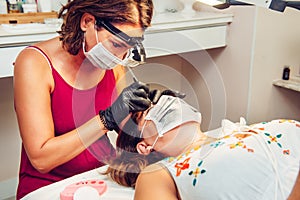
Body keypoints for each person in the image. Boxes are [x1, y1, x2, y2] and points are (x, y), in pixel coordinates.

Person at [13, 0, 156, 199]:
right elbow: (41, 159)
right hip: (49, 186)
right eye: (116, 44)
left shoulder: (112, 60)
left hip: (99, 176)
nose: (120, 56)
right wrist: (106, 119)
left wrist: (147, 114)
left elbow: (125, 127)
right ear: (87, 22)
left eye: (128, 48)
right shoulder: (34, 63)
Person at [105, 95, 300, 199]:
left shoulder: (237, 132)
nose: (164, 104)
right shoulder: (158, 174)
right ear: (144, 147)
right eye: (149, 110)